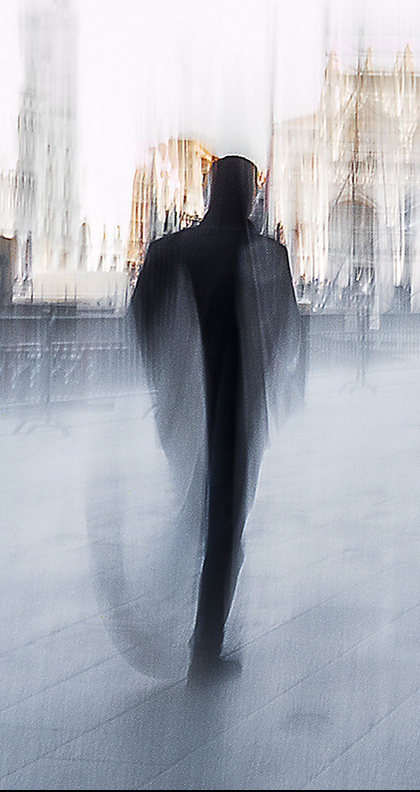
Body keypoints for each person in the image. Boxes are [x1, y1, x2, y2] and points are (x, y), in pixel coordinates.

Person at [129, 155, 302, 685]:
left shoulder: (168, 250)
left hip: (181, 414)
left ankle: (160, 598)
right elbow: (287, 331)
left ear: (207, 191)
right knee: (226, 529)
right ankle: (206, 648)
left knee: (189, 509)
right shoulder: (266, 254)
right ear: (250, 194)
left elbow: (139, 321)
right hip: (237, 415)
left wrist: (168, 380)